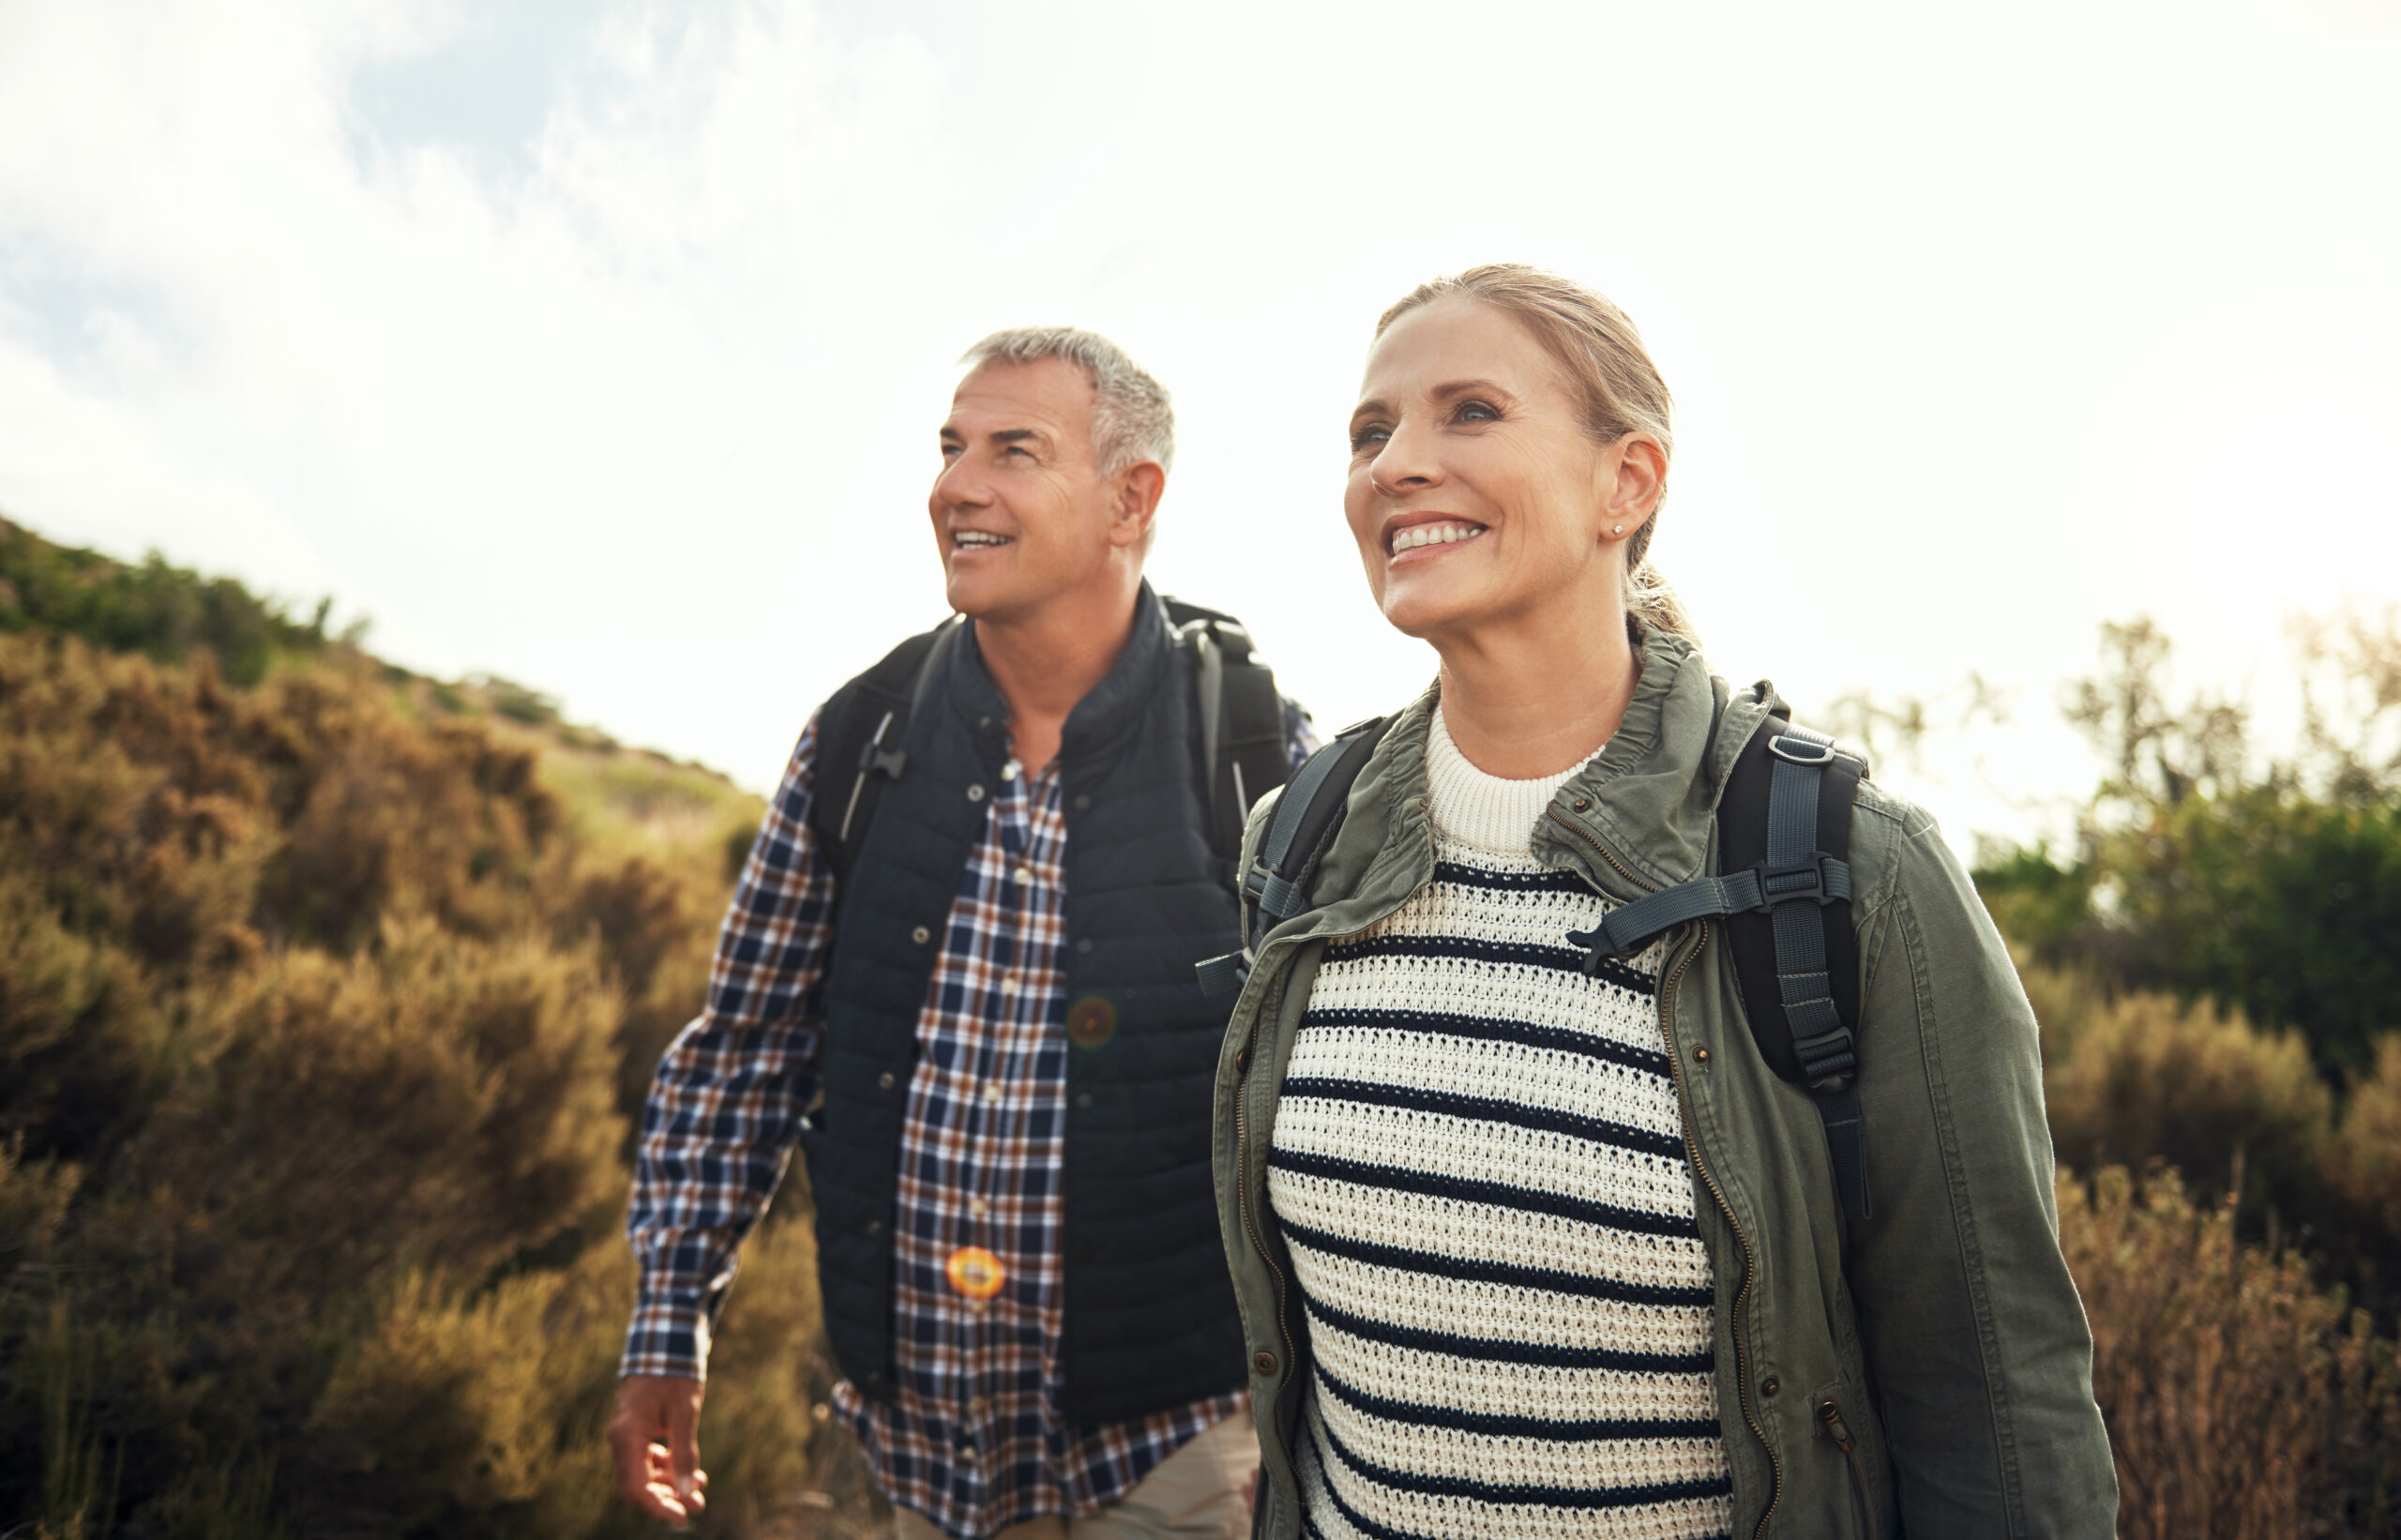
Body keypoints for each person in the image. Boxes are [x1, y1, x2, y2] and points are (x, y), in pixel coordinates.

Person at [1211, 266, 2117, 1539]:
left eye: (1469, 411)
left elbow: (2002, 1416)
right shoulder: (1298, 842)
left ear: (1627, 482)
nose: (1397, 463)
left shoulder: (1854, 871)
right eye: (1371, 431)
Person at [611, 326, 1313, 1540]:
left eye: (1014, 450)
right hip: (919, 1460)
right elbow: (743, 1051)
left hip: (1182, 1453)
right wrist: (671, 1322)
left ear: (1128, 500)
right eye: (950, 447)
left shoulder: (1252, 744)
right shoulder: (860, 736)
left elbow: (1327, 1095)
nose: (955, 485)